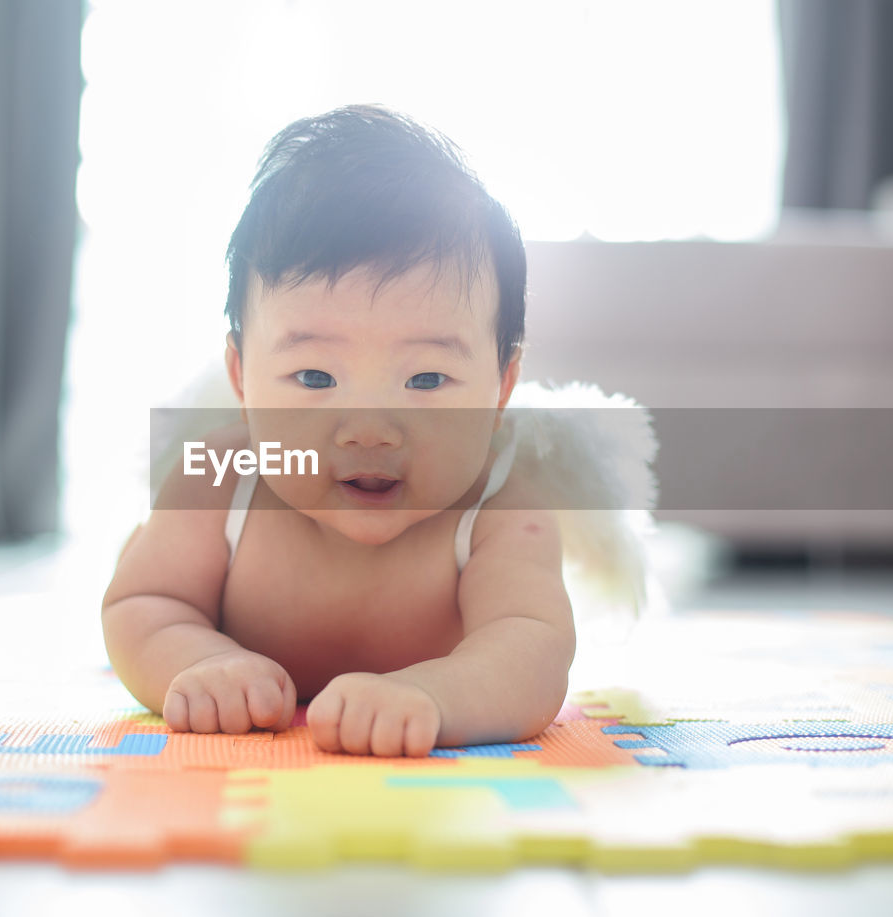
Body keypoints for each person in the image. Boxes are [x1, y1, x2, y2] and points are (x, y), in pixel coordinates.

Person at [102, 104, 647, 757]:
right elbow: (142, 601)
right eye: (313, 378)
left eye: (424, 381)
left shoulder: (500, 504)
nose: (367, 430)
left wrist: (437, 696)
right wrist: (198, 662)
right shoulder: (218, 476)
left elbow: (532, 650)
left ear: (500, 388)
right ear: (242, 377)